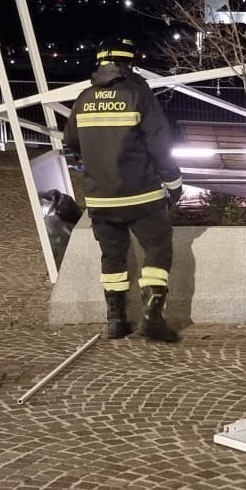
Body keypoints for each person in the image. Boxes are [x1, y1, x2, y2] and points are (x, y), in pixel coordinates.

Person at [62, 36, 184, 343]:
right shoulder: (138, 93)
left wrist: (89, 163)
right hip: (141, 194)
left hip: (99, 197)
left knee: (112, 259)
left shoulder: (84, 97)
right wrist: (173, 184)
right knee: (157, 248)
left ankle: (116, 320)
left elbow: (71, 142)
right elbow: (159, 142)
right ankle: (152, 317)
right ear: (128, 63)